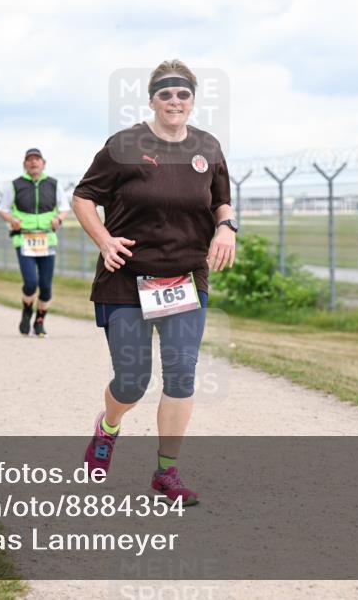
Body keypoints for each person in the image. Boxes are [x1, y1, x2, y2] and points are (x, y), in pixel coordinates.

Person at [72, 60, 237, 506]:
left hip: (185, 277)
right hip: (126, 278)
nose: (175, 102)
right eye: (166, 94)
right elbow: (83, 196)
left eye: (183, 95)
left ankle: (167, 473)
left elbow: (221, 201)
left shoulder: (208, 147)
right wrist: (104, 240)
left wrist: (227, 228)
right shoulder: (124, 145)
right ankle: (107, 427)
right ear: (151, 99)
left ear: (193, 100)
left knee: (181, 374)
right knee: (132, 381)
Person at [0, 148, 70, 337]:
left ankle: (40, 320)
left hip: (47, 239)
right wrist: (12, 220)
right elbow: (2, 209)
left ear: (43, 163)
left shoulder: (54, 184)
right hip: (24, 238)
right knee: (30, 283)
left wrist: (59, 220)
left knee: (45, 286)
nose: (33, 163)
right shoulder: (15, 185)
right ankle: (26, 311)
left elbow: (64, 208)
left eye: (37, 159)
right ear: (24, 164)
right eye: (29, 160)